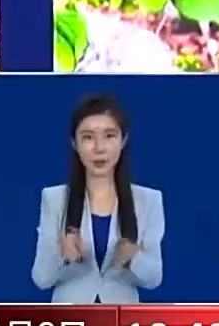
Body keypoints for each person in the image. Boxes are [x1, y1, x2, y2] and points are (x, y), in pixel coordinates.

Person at [32, 93, 164, 303]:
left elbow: (154, 278)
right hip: (71, 319)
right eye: (88, 137)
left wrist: (134, 258)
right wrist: (62, 256)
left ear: (123, 140)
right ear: (74, 143)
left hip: (121, 318)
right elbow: (41, 279)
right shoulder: (54, 199)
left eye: (109, 136)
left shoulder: (148, 200)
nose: (99, 148)